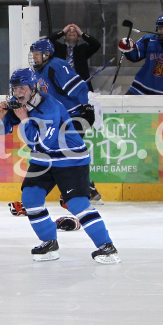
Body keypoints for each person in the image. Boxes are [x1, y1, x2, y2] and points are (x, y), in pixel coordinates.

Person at [0, 68, 119, 264]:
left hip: (70, 159)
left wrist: (24, 120)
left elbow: (41, 144)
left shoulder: (50, 108)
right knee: (30, 198)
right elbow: (3, 130)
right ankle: (49, 244)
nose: (17, 92)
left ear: (33, 87)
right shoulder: (20, 104)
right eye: (14, 88)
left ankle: (107, 247)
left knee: (76, 204)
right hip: (44, 159)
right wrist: (1, 115)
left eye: (21, 87)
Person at [29, 37, 101, 202]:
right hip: (59, 118)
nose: (34, 57)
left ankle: (81, 191)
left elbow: (79, 86)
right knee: (64, 153)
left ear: (47, 54)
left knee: (68, 152)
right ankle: (87, 188)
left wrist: (85, 106)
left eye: (37, 54)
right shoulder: (39, 70)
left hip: (74, 115)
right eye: (33, 54)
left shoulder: (56, 65)